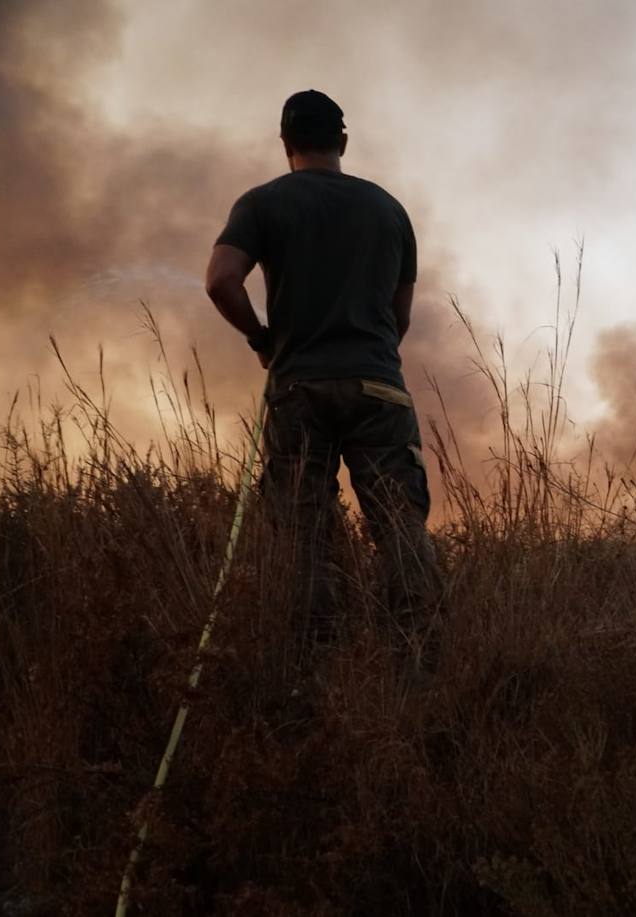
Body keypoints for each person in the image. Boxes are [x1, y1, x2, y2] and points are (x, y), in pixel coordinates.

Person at [205, 89, 440, 676]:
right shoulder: (389, 210)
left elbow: (220, 281)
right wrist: (372, 359)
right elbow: (400, 312)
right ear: (342, 142)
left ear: (286, 145)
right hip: (380, 388)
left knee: (302, 531)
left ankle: (311, 671)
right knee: (400, 524)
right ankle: (421, 666)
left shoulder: (263, 203)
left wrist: (263, 340)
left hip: (298, 389)